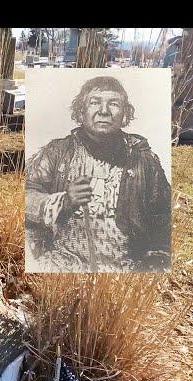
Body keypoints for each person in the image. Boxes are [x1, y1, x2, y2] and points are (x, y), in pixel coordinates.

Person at [25, 76, 171, 272]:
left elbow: (163, 215)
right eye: (95, 102)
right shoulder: (57, 153)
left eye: (113, 104)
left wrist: (155, 260)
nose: (104, 111)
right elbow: (25, 197)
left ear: (125, 113)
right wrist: (64, 201)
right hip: (62, 262)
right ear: (81, 111)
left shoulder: (143, 160)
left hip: (126, 267)